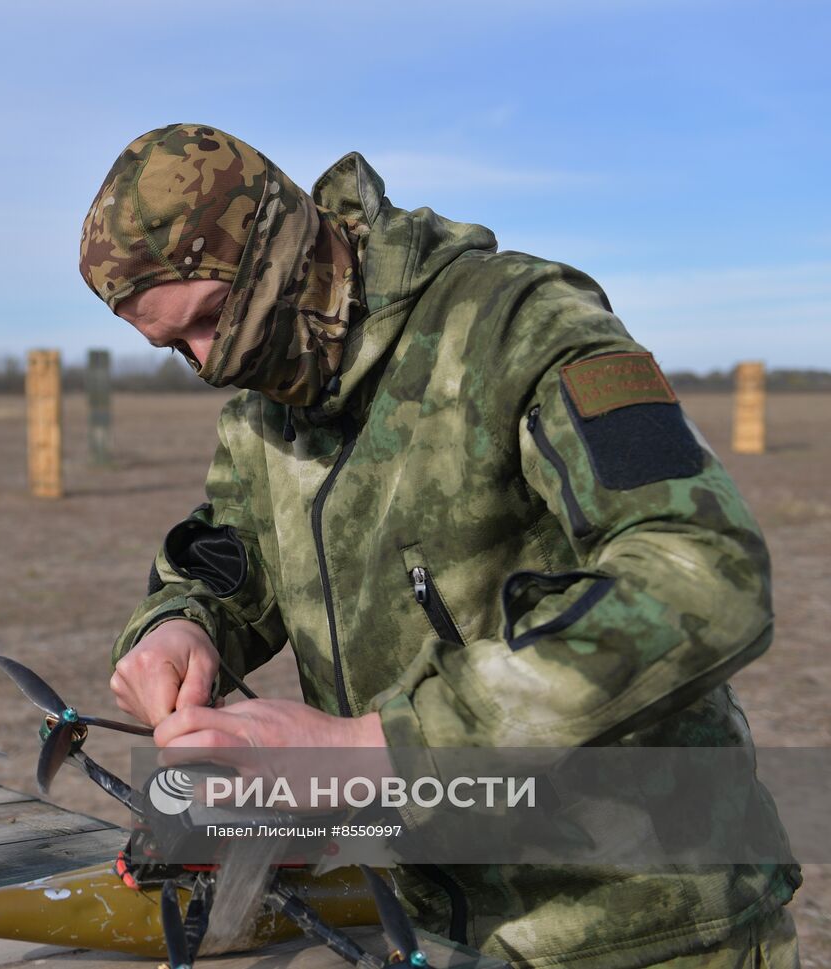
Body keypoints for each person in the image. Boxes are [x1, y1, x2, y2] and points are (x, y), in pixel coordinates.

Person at [78, 124, 801, 969]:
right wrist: (178, 625)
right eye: (175, 348)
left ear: (276, 245)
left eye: (212, 319)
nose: (212, 364)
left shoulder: (518, 323)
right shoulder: (264, 407)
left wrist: (379, 751)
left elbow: (702, 573)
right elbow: (226, 556)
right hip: (415, 928)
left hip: (645, 923)